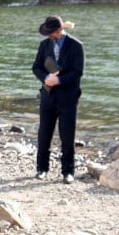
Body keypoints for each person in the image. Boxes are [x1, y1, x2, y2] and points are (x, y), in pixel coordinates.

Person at [32, 16, 86, 184]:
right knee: (44, 134)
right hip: (47, 96)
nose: (48, 36)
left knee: (67, 135)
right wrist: (46, 77)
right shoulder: (44, 45)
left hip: (68, 98)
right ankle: (42, 169)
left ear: (59, 31)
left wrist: (59, 80)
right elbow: (36, 67)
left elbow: (78, 72)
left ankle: (68, 172)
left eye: (50, 33)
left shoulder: (76, 46)